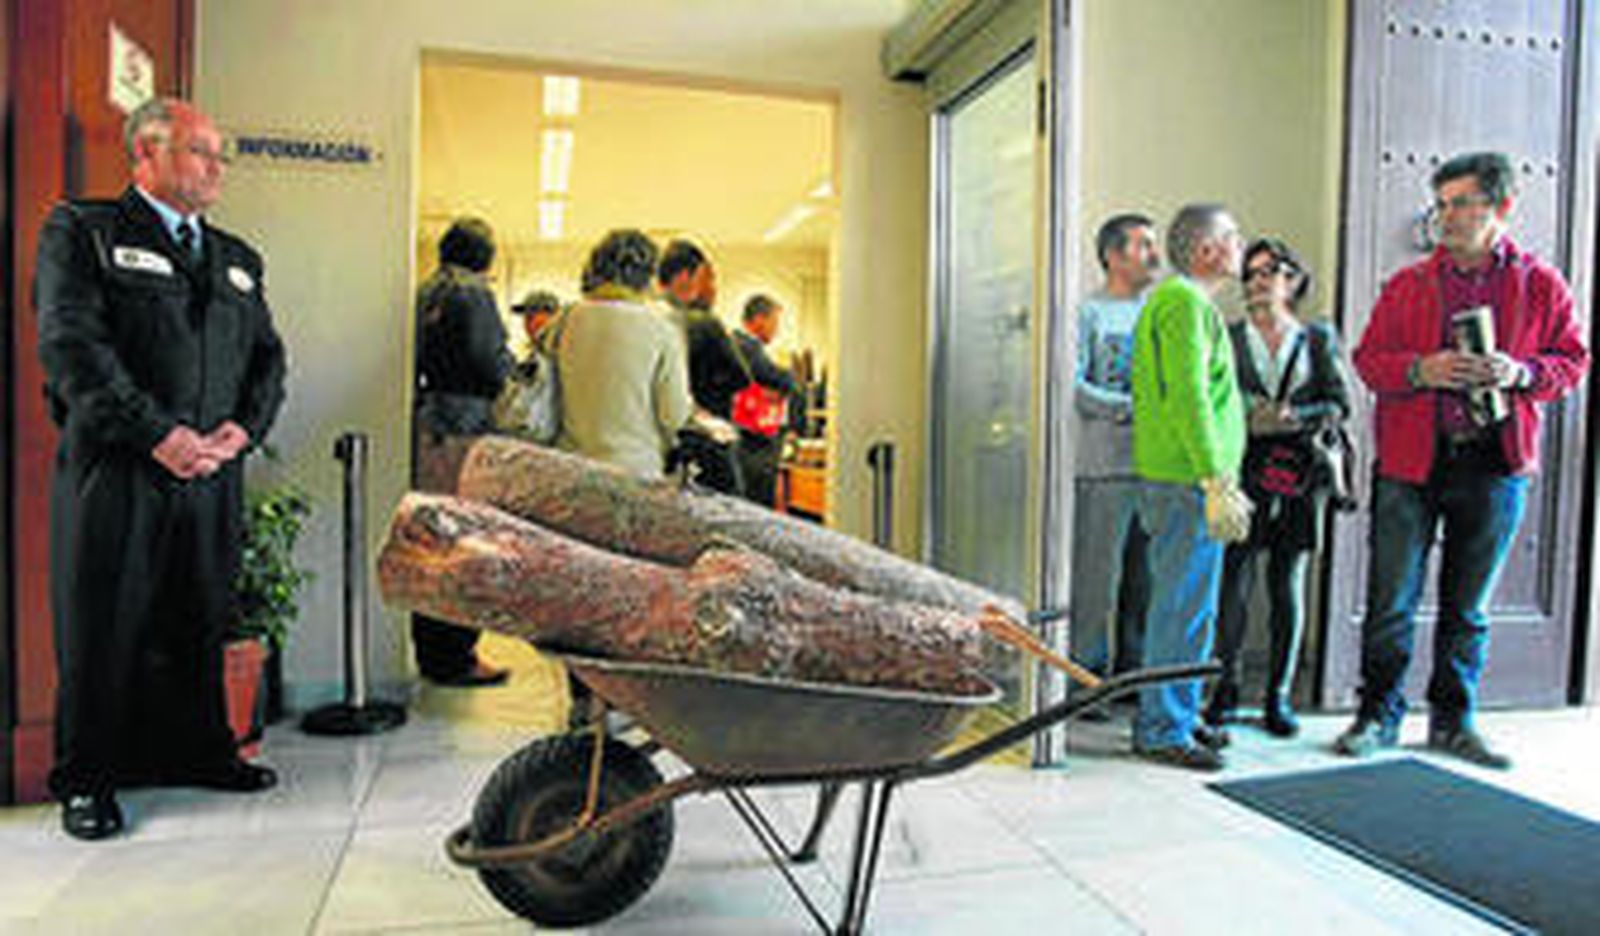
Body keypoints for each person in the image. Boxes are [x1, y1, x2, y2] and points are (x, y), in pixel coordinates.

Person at [34, 97, 288, 840]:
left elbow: (268, 358)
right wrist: (157, 434)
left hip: (212, 473)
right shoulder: (84, 231)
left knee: (199, 613)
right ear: (144, 156)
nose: (217, 167)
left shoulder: (238, 259)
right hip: (118, 470)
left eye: (219, 154)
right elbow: (72, 347)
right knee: (102, 624)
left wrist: (244, 429)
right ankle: (87, 781)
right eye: (199, 152)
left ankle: (201, 751)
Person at [1333, 152, 1589, 768]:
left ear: (1499, 208)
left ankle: (1453, 721)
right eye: (1441, 204)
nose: (1446, 216)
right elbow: (1368, 360)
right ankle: (1377, 716)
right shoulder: (1410, 283)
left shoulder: (1539, 283)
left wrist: (1522, 371)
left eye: (1460, 203)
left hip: (1495, 464)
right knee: (1391, 598)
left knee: (1468, 607)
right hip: (1410, 463)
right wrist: (1423, 369)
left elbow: (1573, 361)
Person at [1205, 239, 1351, 738]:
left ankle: (1278, 697)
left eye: (1271, 270)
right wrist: (1249, 412)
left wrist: (1297, 415)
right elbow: (1211, 397)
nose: (1259, 280)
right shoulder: (1226, 335)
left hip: (1298, 469)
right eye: (1250, 273)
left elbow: (1339, 403)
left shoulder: (1316, 337)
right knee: (1234, 582)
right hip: (1242, 467)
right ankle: (1223, 689)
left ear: (1294, 278)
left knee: (1287, 583)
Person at [1129, 203, 1252, 771]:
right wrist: (1214, 476)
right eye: (1232, 237)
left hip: (1184, 477)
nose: (1241, 246)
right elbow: (1188, 395)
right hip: (1187, 480)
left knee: (1190, 605)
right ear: (1207, 249)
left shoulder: (1183, 302)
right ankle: (1163, 727)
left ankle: (1178, 712)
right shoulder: (1181, 302)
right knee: (1182, 607)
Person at [412, 217, 514, 687]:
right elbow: (490, 366)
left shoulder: (428, 290)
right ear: (485, 256)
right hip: (465, 431)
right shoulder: (472, 292)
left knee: (432, 541)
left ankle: (433, 652)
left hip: (429, 423)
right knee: (463, 544)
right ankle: (458, 656)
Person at [1071, 214, 1158, 691]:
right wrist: (1132, 408)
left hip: (1156, 468)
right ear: (1113, 255)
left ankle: (1133, 677)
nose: (1153, 255)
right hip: (1103, 468)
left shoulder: (1158, 312)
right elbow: (1074, 386)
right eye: (1143, 245)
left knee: (1144, 583)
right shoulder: (1089, 313)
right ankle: (1086, 679)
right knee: (1095, 583)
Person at [554, 229, 693, 477]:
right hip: (635, 469)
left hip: (571, 466)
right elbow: (674, 415)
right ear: (649, 274)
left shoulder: (565, 319)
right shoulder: (661, 328)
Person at [657, 239, 749, 494]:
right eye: (703, 277)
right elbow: (741, 377)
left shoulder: (648, 319)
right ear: (687, 276)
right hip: (709, 435)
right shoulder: (705, 323)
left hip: (666, 443)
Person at [733, 294, 800, 507]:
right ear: (759, 319)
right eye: (774, 322)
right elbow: (780, 378)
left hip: (750, 444)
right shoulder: (745, 346)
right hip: (754, 446)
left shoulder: (746, 347)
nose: (776, 330)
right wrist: (789, 378)